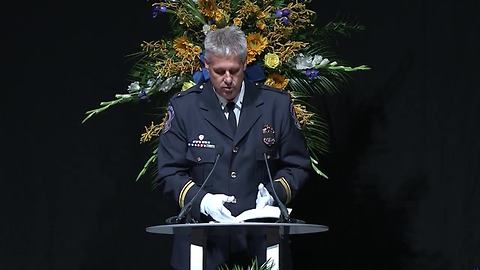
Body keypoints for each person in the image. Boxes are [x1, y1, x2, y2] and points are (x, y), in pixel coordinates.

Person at [156, 26, 311, 270]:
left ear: (245, 64)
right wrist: (203, 201)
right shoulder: (185, 108)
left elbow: (298, 166)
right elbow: (168, 172)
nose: (228, 79)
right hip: (203, 245)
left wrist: (273, 194)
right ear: (206, 65)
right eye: (219, 71)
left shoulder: (276, 105)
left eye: (234, 71)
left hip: (262, 242)